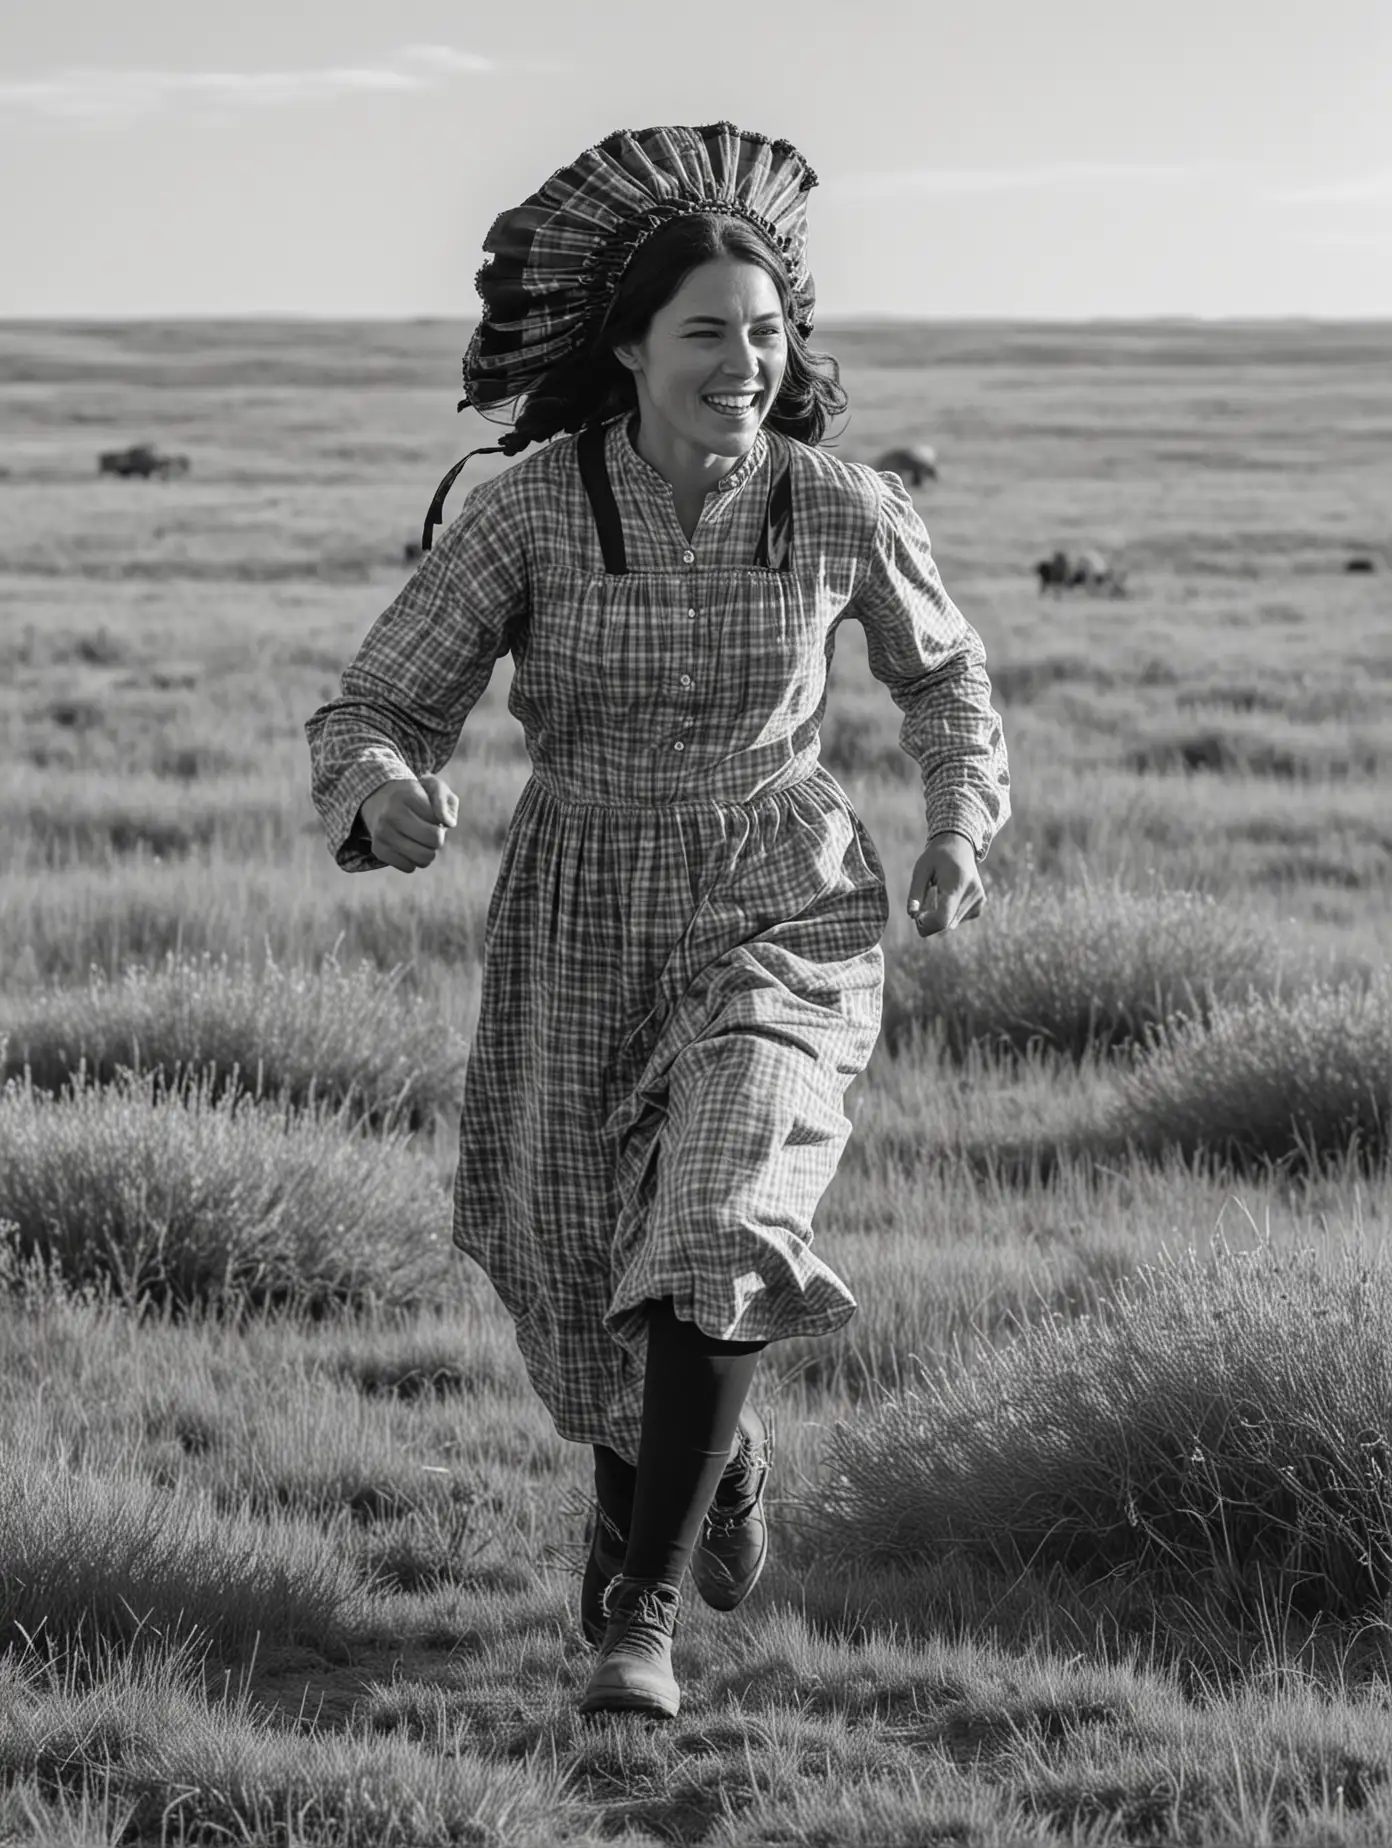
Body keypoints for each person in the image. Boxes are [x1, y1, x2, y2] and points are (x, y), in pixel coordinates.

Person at [305, 122, 1010, 1720]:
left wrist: (957, 825)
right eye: (707, 333)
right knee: (589, 1272)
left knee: (714, 1218)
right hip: (581, 915)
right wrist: (383, 789)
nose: (744, 363)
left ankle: (637, 1611)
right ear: (630, 347)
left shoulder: (837, 506)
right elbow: (381, 699)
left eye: (767, 335)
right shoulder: (532, 511)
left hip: (784, 906)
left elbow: (946, 678)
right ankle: (717, 1465)